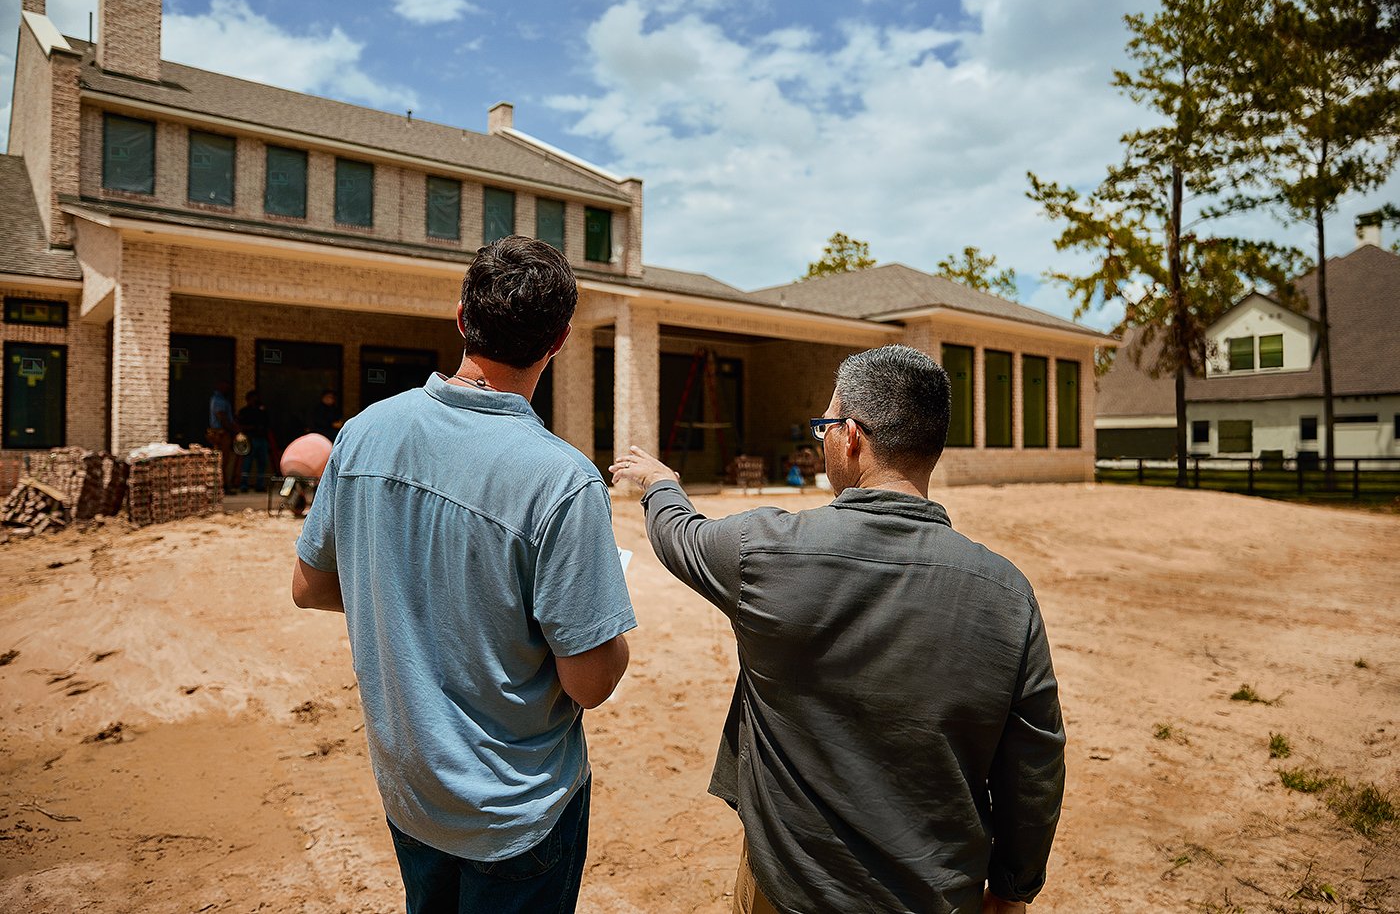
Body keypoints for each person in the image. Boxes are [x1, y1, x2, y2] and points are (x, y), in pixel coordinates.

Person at [610, 344, 1065, 914]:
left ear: (850, 436)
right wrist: (1013, 888)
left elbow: (680, 537)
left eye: (825, 425)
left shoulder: (765, 551)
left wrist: (661, 483)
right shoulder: (1007, 593)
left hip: (791, 888)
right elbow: (1035, 763)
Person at [292, 235, 636, 914]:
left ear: (460, 317)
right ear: (560, 339)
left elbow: (310, 586)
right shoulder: (562, 481)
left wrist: (404, 593)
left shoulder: (363, 433)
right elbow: (590, 682)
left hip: (411, 790)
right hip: (516, 811)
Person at [206, 380, 239, 491]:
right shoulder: (219, 400)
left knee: (222, 460)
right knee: (222, 460)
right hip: (221, 433)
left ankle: (222, 485)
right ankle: (222, 486)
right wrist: (234, 431)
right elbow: (222, 417)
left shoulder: (220, 399)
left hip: (221, 432)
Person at [236, 389, 271, 492]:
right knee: (247, 463)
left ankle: (260, 484)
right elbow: (240, 425)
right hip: (250, 439)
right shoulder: (244, 411)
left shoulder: (262, 411)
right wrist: (250, 428)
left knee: (262, 463)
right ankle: (244, 484)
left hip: (262, 439)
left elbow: (268, 424)